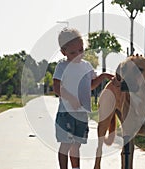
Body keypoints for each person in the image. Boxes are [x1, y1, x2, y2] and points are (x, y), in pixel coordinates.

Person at [53, 28, 113, 169]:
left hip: (81, 113)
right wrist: (71, 98)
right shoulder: (62, 66)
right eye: (73, 52)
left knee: (77, 144)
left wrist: (103, 76)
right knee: (66, 144)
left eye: (81, 50)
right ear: (64, 52)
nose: (78, 55)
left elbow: (91, 85)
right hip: (66, 113)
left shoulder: (86, 66)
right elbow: (56, 88)